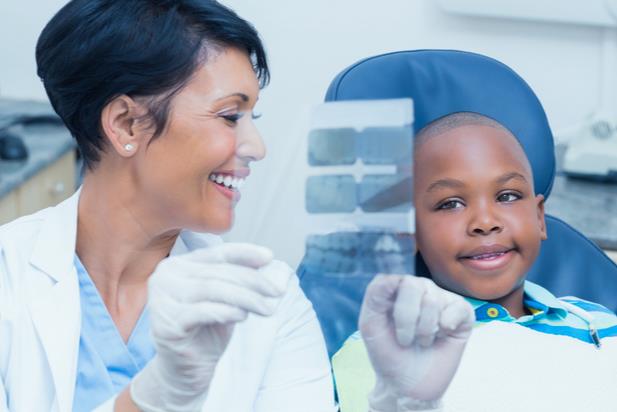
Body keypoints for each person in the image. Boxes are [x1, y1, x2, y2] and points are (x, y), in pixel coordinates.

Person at [0, 1, 337, 411]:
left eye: (252, 117)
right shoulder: (9, 280)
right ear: (127, 124)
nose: (257, 148)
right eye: (230, 116)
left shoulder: (272, 301)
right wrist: (151, 397)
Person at [333, 112, 617, 412]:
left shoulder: (600, 323)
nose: (484, 222)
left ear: (538, 218)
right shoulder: (381, 353)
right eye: (451, 204)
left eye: (507, 196)